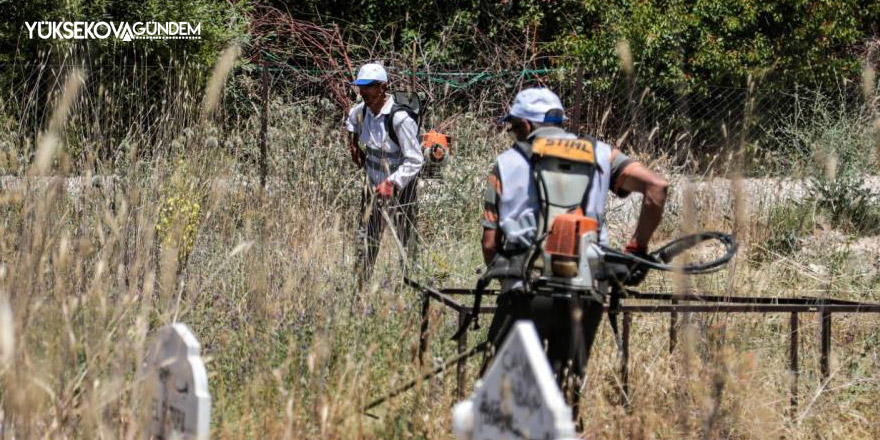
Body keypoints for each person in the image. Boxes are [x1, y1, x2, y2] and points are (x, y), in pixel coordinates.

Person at [479, 87, 669, 406]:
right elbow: (657, 186)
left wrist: (506, 279)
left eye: (512, 127)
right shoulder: (601, 154)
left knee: (501, 403)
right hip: (586, 294)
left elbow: (489, 244)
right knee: (565, 400)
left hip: (526, 290)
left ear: (525, 126)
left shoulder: (506, 162)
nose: (512, 134)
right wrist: (637, 247)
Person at [345, 63, 424, 290]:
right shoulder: (362, 110)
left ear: (382, 87)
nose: (364, 92)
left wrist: (392, 183)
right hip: (372, 183)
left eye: (369, 87)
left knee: (405, 238)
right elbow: (350, 122)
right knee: (367, 236)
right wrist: (353, 146)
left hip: (400, 185)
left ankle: (411, 286)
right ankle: (360, 287)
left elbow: (415, 160)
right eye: (361, 87)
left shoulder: (399, 119)